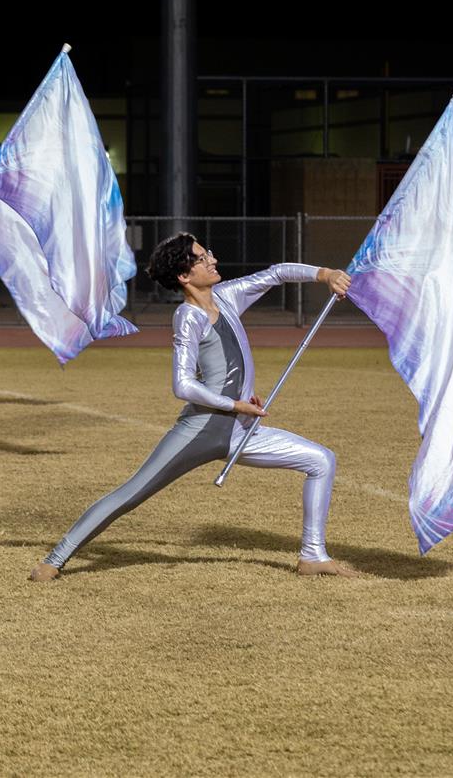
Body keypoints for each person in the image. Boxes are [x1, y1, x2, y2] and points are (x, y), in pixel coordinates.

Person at [29, 233, 360, 581]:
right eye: (202, 258)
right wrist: (234, 402)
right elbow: (182, 385)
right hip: (201, 431)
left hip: (239, 430)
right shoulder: (188, 316)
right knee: (132, 493)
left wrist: (324, 274)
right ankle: (54, 560)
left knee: (321, 460)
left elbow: (276, 273)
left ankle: (313, 556)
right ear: (184, 277)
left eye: (208, 254)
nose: (212, 260)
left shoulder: (227, 297)